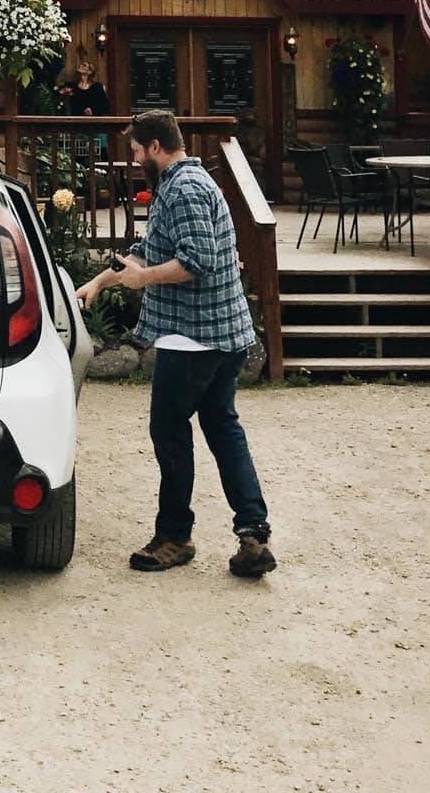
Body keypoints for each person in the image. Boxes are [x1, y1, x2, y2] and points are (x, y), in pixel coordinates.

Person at [76, 109, 275, 579]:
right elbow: (150, 249)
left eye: (136, 150)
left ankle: (174, 536)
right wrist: (101, 282)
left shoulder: (183, 189)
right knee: (223, 429)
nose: (134, 158)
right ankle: (253, 535)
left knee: (169, 432)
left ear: (155, 147)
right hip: (224, 335)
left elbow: (195, 260)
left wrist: (144, 279)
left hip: (195, 338)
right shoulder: (185, 182)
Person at [61, 49, 110, 117]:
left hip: (92, 121)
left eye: (84, 65)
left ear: (90, 72)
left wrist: (92, 111)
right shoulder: (72, 86)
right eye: (81, 64)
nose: (80, 66)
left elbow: (105, 106)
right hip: (75, 120)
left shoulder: (97, 87)